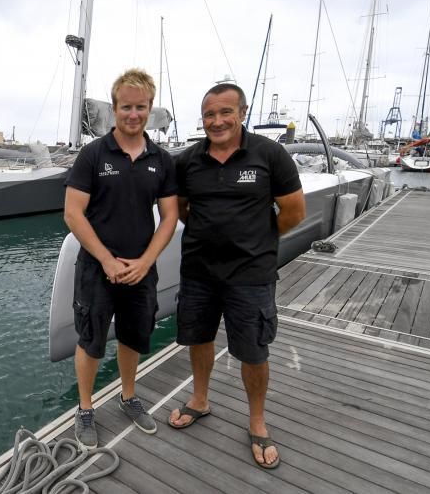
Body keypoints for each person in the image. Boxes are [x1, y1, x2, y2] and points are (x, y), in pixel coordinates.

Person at [168, 83, 305, 470]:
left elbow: (294, 211)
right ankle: (200, 399)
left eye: (225, 112)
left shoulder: (270, 154)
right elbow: (181, 209)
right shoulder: (189, 161)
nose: (217, 121)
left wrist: (259, 239)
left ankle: (257, 420)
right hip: (199, 271)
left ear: (242, 112)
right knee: (199, 338)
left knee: (253, 351)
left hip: (251, 275)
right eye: (209, 114)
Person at [64, 68, 178, 449]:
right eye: (126, 107)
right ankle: (84, 408)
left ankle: (128, 397)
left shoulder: (161, 160)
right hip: (98, 269)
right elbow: (73, 214)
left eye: (141, 107)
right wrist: (108, 261)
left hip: (140, 270)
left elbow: (170, 217)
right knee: (91, 339)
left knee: (133, 337)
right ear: (114, 109)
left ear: (149, 108)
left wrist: (145, 262)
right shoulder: (93, 155)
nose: (134, 114)